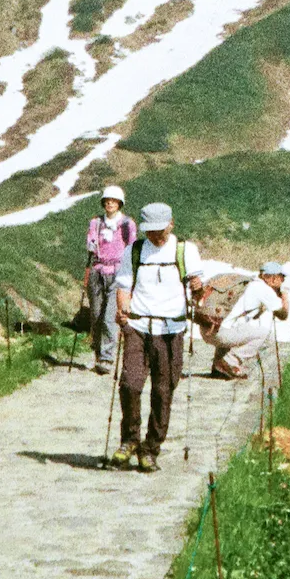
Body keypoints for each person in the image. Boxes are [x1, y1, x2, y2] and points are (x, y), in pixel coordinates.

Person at [113, 201, 205, 470]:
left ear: (171, 224)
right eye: (150, 231)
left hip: (170, 330)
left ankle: (151, 447)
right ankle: (129, 439)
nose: (155, 235)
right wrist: (122, 312)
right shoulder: (135, 250)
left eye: (159, 230)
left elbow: (197, 293)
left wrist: (198, 288)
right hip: (138, 325)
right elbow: (124, 286)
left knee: (163, 390)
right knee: (130, 383)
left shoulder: (185, 250)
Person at [204, 262, 290, 381]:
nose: (282, 281)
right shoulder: (262, 288)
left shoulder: (249, 283)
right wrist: (285, 293)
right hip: (220, 334)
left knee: (235, 324)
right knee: (266, 335)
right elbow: (283, 315)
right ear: (272, 278)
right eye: (281, 278)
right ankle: (230, 361)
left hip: (208, 328)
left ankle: (218, 367)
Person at [84, 184, 132, 377]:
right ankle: (98, 352)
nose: (110, 203)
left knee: (109, 316)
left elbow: (131, 246)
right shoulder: (95, 223)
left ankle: (106, 357)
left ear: (120, 203)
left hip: (118, 271)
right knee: (95, 315)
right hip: (98, 270)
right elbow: (90, 245)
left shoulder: (128, 224)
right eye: (107, 200)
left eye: (114, 200)